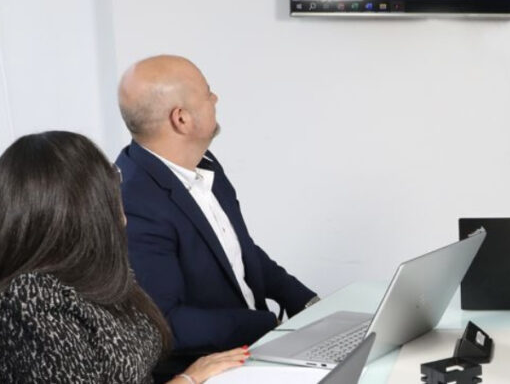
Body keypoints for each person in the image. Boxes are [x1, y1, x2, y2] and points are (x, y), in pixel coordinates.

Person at [115, 55, 317, 372]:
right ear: (181, 119)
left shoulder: (202, 162)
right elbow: (165, 322)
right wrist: (267, 325)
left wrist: (308, 303)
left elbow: (238, 249)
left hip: (254, 346)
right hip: (207, 368)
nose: (215, 98)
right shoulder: (134, 201)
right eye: (207, 93)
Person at [0, 131, 248, 384]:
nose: (120, 192)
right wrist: (188, 378)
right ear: (86, 207)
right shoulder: (31, 295)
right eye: (111, 184)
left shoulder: (99, 271)